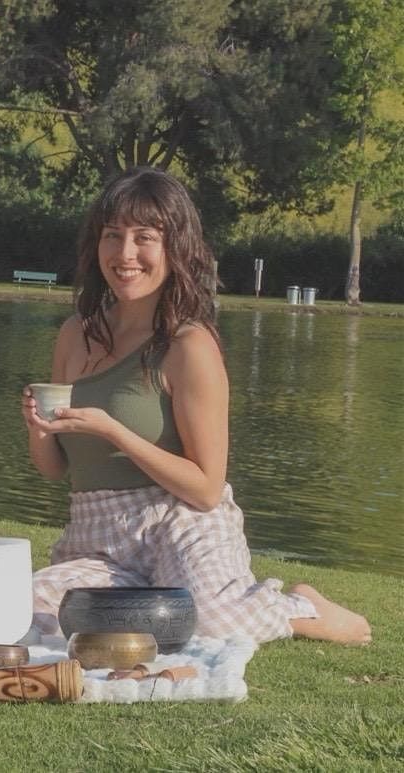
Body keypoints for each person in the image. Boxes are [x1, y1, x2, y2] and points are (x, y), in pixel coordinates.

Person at [23, 167, 371, 645]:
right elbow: (54, 470)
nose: (125, 254)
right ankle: (153, 608)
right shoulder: (74, 335)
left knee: (210, 622)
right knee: (25, 610)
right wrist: (39, 430)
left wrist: (116, 432)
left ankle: (304, 609)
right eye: (112, 236)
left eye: (144, 237)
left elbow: (206, 490)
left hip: (181, 521)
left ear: (174, 248)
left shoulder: (188, 345)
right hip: (97, 533)